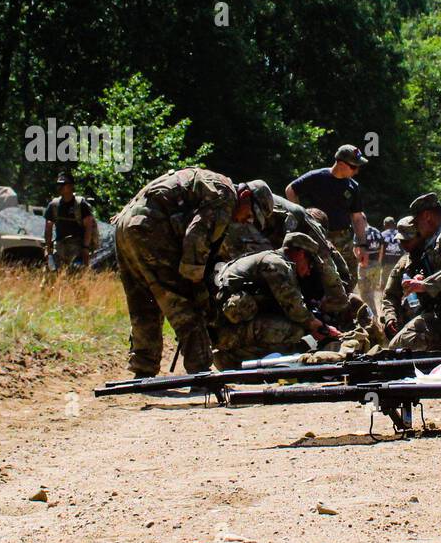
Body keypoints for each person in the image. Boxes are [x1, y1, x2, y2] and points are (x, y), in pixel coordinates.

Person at [113, 168, 256, 378]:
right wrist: (196, 286)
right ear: (245, 197)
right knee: (183, 302)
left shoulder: (210, 184)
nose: (246, 221)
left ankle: (143, 366)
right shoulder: (226, 195)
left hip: (126, 225)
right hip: (152, 227)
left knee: (143, 302)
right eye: (250, 215)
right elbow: (196, 237)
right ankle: (199, 368)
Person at [211, 233, 342, 370]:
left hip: (228, 329)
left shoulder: (268, 258)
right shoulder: (276, 264)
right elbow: (295, 309)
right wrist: (320, 327)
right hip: (225, 332)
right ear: (301, 254)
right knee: (295, 331)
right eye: (310, 264)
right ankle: (233, 360)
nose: (309, 271)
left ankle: (235, 357)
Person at [388, 193, 441, 351]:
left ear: (427, 216)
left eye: (417, 221)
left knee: (399, 346)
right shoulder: (432, 243)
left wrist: (424, 284)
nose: (417, 227)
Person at [284, 144, 371, 287]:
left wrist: (362, 245)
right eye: (354, 167)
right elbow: (291, 190)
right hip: (318, 238)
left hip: (344, 239)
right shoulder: (317, 177)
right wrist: (301, 216)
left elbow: (357, 217)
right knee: (319, 276)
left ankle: (343, 306)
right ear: (341, 164)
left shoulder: (353, 187)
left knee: (350, 278)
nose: (357, 171)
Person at [380, 216, 424, 341]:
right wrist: (390, 317)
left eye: (408, 240)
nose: (403, 244)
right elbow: (389, 295)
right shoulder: (403, 263)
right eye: (401, 240)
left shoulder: (434, 257)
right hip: (410, 323)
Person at [43, 171, 96, 270]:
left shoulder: (80, 205)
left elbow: (88, 227)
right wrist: (48, 248)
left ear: (71, 186)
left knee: (77, 276)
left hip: (77, 248)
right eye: (59, 184)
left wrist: (85, 247)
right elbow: (48, 228)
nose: (60, 187)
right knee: (51, 274)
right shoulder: (53, 205)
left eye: (63, 184)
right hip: (59, 247)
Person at [358, 213, 385, 312]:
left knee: (364, 293)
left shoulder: (360, 232)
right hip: (376, 264)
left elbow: (358, 249)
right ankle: (377, 312)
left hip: (365, 264)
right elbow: (382, 248)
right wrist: (379, 262)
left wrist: (361, 261)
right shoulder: (377, 231)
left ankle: (371, 314)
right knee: (372, 291)